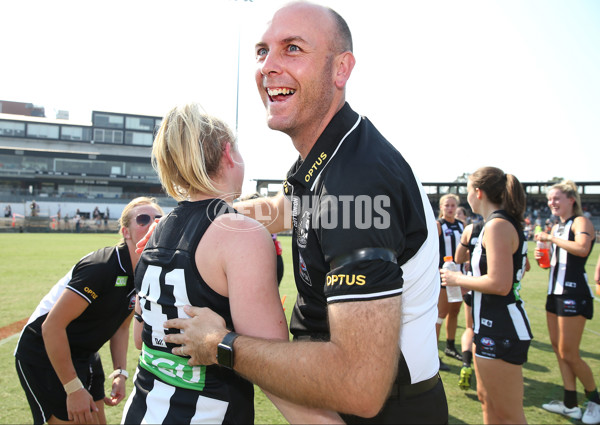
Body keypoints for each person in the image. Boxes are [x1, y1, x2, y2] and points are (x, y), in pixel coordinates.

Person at [158, 3, 448, 423]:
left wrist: (222, 344)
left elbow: (360, 384)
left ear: (340, 69)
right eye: (262, 51)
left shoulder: (357, 181)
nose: (268, 67)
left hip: (383, 411)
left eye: (292, 49)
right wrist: (201, 220)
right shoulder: (331, 157)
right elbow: (289, 209)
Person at [121, 103, 339, 424]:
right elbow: (275, 371)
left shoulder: (158, 230)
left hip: (142, 409)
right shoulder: (241, 235)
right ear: (228, 153)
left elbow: (141, 338)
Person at [14, 197, 164, 425]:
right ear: (126, 232)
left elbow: (122, 328)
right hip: (43, 353)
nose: (152, 224)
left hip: (85, 354)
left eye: (158, 219)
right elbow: (52, 326)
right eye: (143, 219)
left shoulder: (147, 270)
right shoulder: (101, 267)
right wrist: (73, 389)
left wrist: (120, 373)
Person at [441, 166, 532, 424]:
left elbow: (501, 284)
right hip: (488, 325)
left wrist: (458, 278)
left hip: (502, 327)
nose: (466, 196)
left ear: (478, 193)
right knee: (486, 400)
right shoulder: (493, 225)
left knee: (510, 415)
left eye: (468, 190)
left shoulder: (497, 226)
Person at [534, 180, 599, 424]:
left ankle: (595, 400)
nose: (552, 203)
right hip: (555, 293)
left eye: (557, 198)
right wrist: (544, 252)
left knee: (569, 352)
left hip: (574, 293)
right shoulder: (557, 227)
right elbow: (551, 261)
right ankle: (570, 404)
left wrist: (551, 239)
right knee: (559, 350)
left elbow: (582, 249)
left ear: (571, 199)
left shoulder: (580, 222)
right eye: (550, 199)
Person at [436, 193, 465, 371]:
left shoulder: (461, 225)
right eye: (447, 205)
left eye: (453, 205)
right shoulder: (438, 225)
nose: (450, 208)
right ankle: (433, 354)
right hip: (444, 275)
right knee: (440, 315)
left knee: (454, 312)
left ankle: (450, 346)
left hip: (459, 275)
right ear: (441, 207)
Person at [453, 219, 483, 391]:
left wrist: (472, 254)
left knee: (470, 328)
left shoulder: (470, 229)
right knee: (484, 332)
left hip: (470, 283)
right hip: (490, 288)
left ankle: (466, 364)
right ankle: (481, 374)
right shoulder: (502, 225)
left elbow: (458, 257)